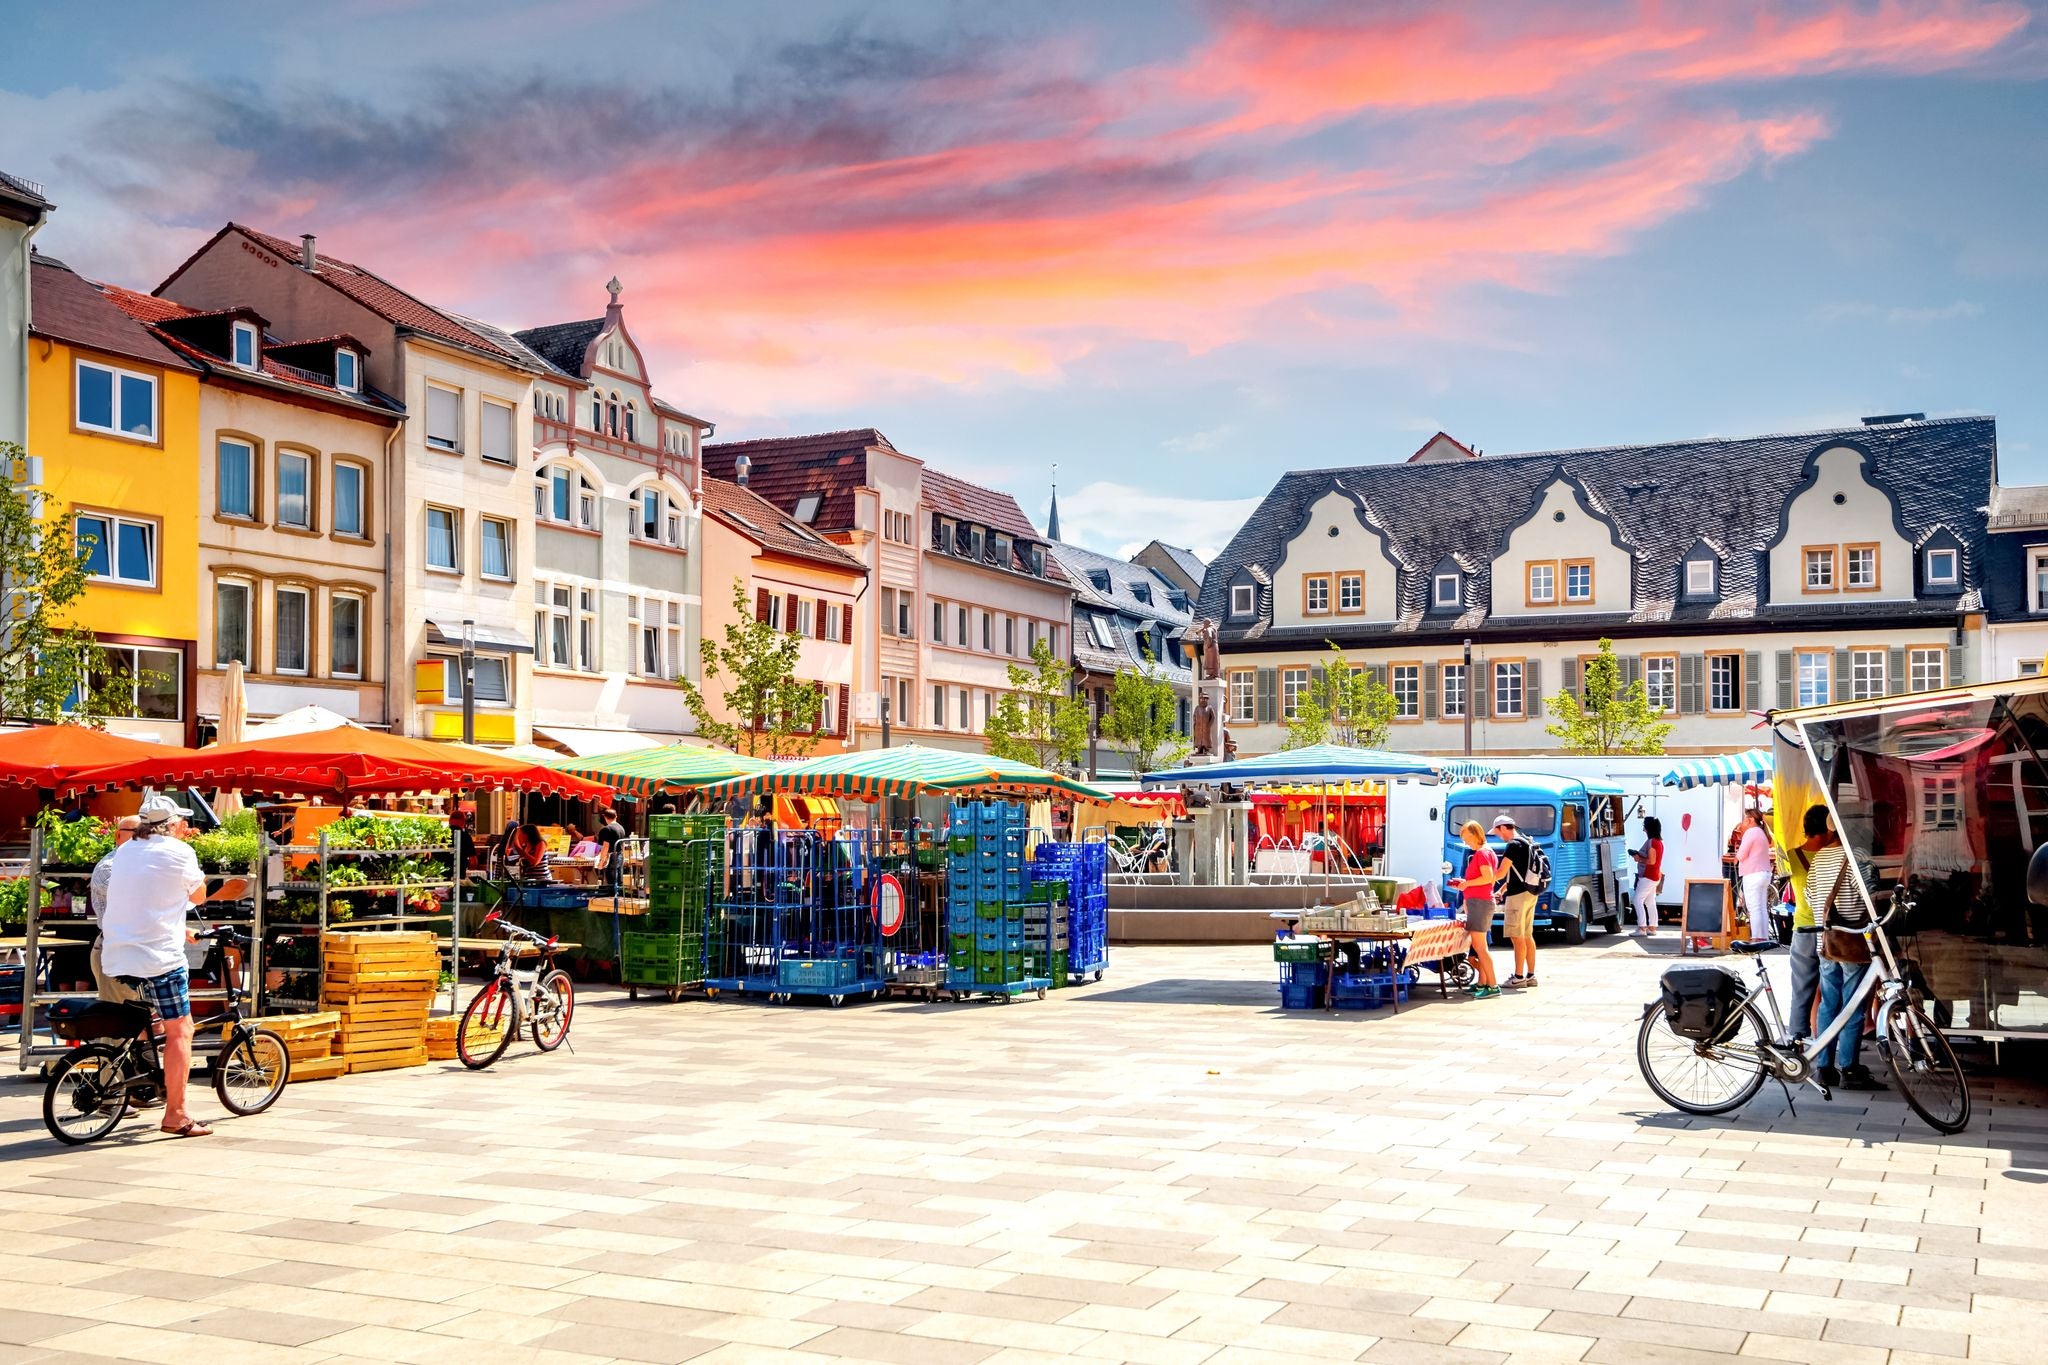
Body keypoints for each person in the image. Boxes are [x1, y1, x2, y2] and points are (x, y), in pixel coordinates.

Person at [100, 794, 211, 1138]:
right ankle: (176, 1114)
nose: (186, 828)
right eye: (182, 823)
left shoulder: (125, 851)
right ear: (172, 825)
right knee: (181, 1029)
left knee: (145, 1020)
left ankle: (140, 1077)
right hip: (159, 958)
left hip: (116, 954)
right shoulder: (181, 852)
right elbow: (199, 897)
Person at [1805, 823, 1882, 1091]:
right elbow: (1872, 896)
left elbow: (1808, 894)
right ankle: (1850, 1068)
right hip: (1852, 942)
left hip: (1826, 942)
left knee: (1829, 1003)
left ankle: (1824, 1068)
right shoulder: (1858, 855)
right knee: (1854, 1004)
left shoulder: (1820, 857)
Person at [1784, 804, 1834, 1048]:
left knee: (1801, 987)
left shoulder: (1792, 856)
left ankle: (1796, 1037)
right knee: (1831, 989)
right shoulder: (1833, 855)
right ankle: (1827, 1038)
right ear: (1826, 829)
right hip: (1828, 930)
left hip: (1802, 927)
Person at [88, 815, 143, 1006]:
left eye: (148, 833)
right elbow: (137, 900)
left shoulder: (143, 865)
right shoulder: (108, 868)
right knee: (119, 1026)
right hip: (117, 948)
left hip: (142, 949)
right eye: (137, 833)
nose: (143, 838)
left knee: (150, 1025)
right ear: (118, 836)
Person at [1451, 820, 1501, 998]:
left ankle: (1493, 985)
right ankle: (1483, 982)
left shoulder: (1481, 854)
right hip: (1479, 902)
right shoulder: (1486, 852)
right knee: (1481, 947)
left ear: (1474, 835)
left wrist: (1466, 884)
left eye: (1467, 838)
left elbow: (1488, 878)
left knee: (1480, 948)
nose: (1466, 843)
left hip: (1480, 903)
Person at [1490, 814, 1540, 989]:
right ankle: (1531, 975)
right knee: (1527, 935)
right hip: (1531, 892)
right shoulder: (1527, 842)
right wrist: (1501, 890)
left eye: (1497, 832)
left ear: (1503, 828)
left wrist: (1482, 880)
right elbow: (1517, 873)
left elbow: (1502, 872)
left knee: (1516, 936)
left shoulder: (1512, 845)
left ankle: (1518, 977)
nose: (1497, 836)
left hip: (1517, 896)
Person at [1735, 808, 1776, 940]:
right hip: (1764, 873)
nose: (1743, 823)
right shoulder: (1761, 832)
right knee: (1762, 907)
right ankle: (1763, 937)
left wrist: (1737, 856)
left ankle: (1757, 937)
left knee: (1754, 908)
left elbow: (1741, 855)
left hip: (1753, 874)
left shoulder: (1751, 832)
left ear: (1750, 820)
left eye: (1745, 819)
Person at [1631, 816, 1665, 935]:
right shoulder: (1659, 842)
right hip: (1655, 876)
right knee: (1650, 901)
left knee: (1637, 900)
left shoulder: (1652, 842)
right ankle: (1652, 927)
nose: (1643, 827)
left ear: (1648, 827)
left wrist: (1638, 858)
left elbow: (1651, 861)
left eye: (1644, 825)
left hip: (1647, 876)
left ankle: (1642, 928)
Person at [595, 806, 627, 895]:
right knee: (619, 879)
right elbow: (623, 844)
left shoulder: (606, 829)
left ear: (605, 817)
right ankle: (620, 898)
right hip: (620, 855)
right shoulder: (621, 828)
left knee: (611, 879)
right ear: (616, 816)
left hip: (611, 856)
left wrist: (601, 861)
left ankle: (613, 899)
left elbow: (605, 846)